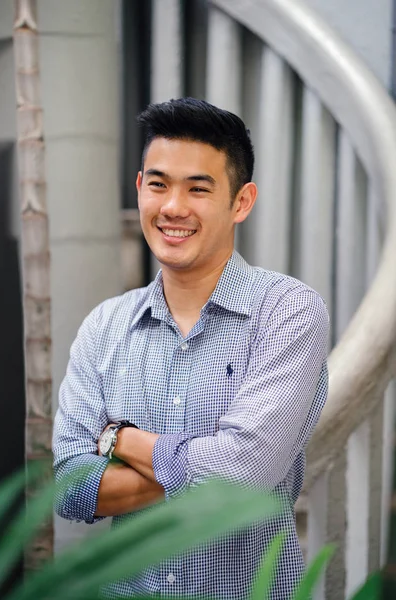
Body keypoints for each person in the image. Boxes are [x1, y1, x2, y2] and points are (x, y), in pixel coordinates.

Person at [53, 97, 329, 599]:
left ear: (241, 202)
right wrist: (206, 466)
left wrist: (120, 440)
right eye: (158, 184)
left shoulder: (288, 312)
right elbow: (70, 488)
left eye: (198, 189)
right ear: (140, 189)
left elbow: (238, 479)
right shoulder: (105, 327)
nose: (173, 208)